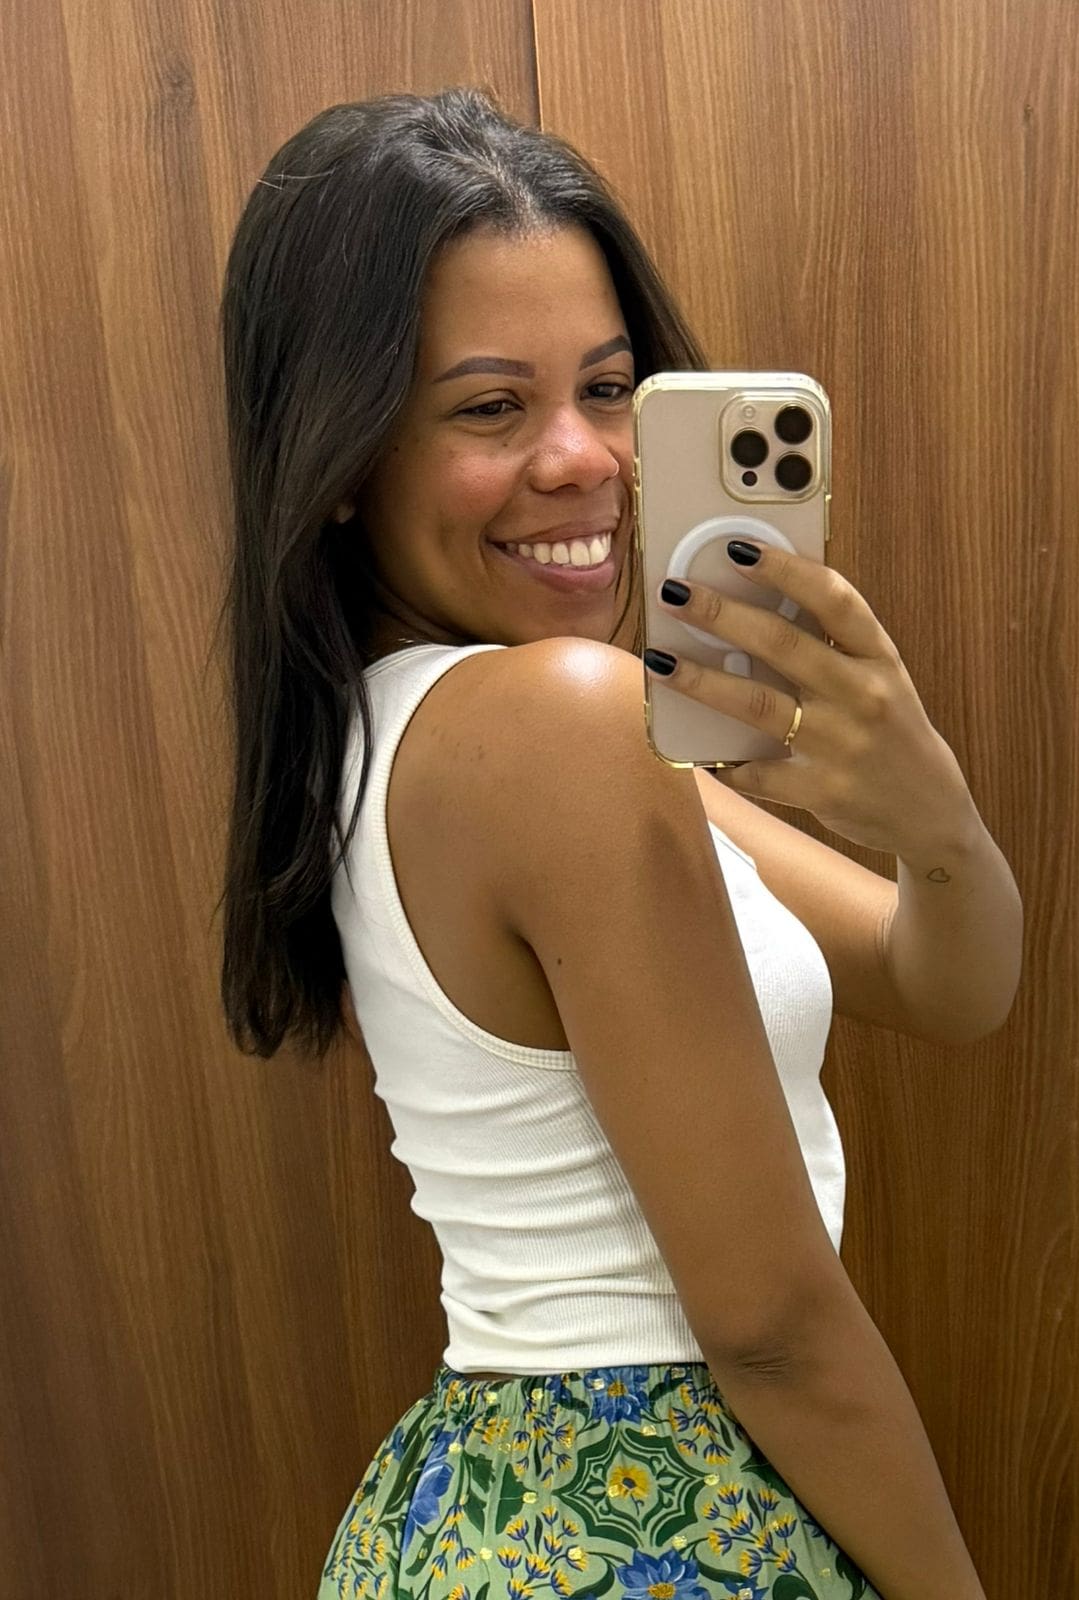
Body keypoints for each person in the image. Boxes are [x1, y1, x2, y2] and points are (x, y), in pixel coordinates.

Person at [217, 87, 1022, 1600]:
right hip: (648, 1513)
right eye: (489, 408)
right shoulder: (556, 723)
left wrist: (937, 825)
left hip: (499, 1504)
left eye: (608, 388)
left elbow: (947, 984)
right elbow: (772, 1326)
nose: (585, 458)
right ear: (341, 457)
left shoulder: (423, 730)